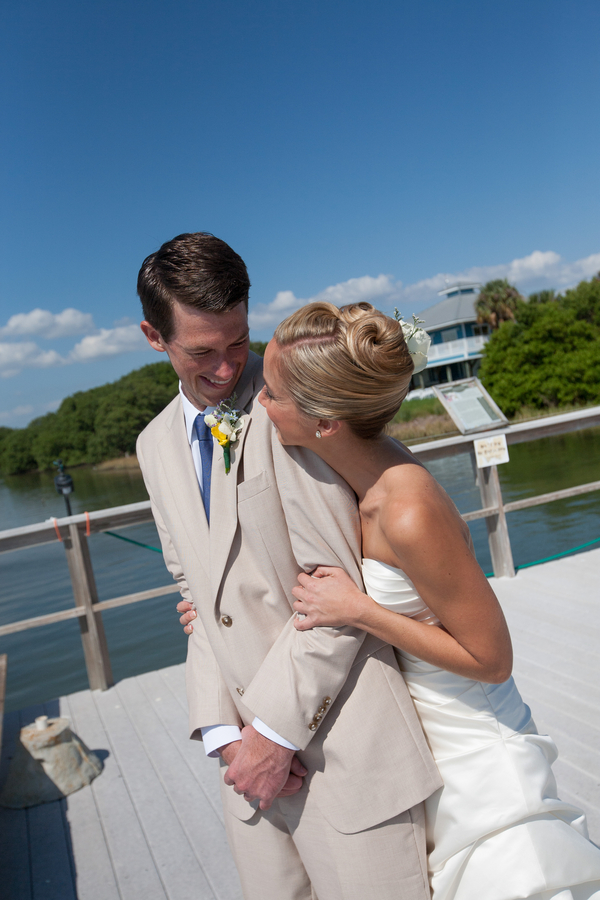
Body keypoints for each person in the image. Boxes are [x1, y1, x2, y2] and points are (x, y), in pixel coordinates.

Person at [257, 298, 600, 899]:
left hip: (474, 742)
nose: (260, 404)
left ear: (325, 422)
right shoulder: (361, 474)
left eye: (272, 394)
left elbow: (492, 658)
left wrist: (361, 611)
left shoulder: (408, 508)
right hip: (426, 737)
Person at [136, 232, 442, 900]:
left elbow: (340, 586)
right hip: (248, 773)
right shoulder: (152, 444)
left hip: (349, 755)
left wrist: (272, 737)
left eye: (238, 342)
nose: (225, 370)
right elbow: (197, 595)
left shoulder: (292, 406)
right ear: (153, 337)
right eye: (202, 352)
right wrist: (224, 734)